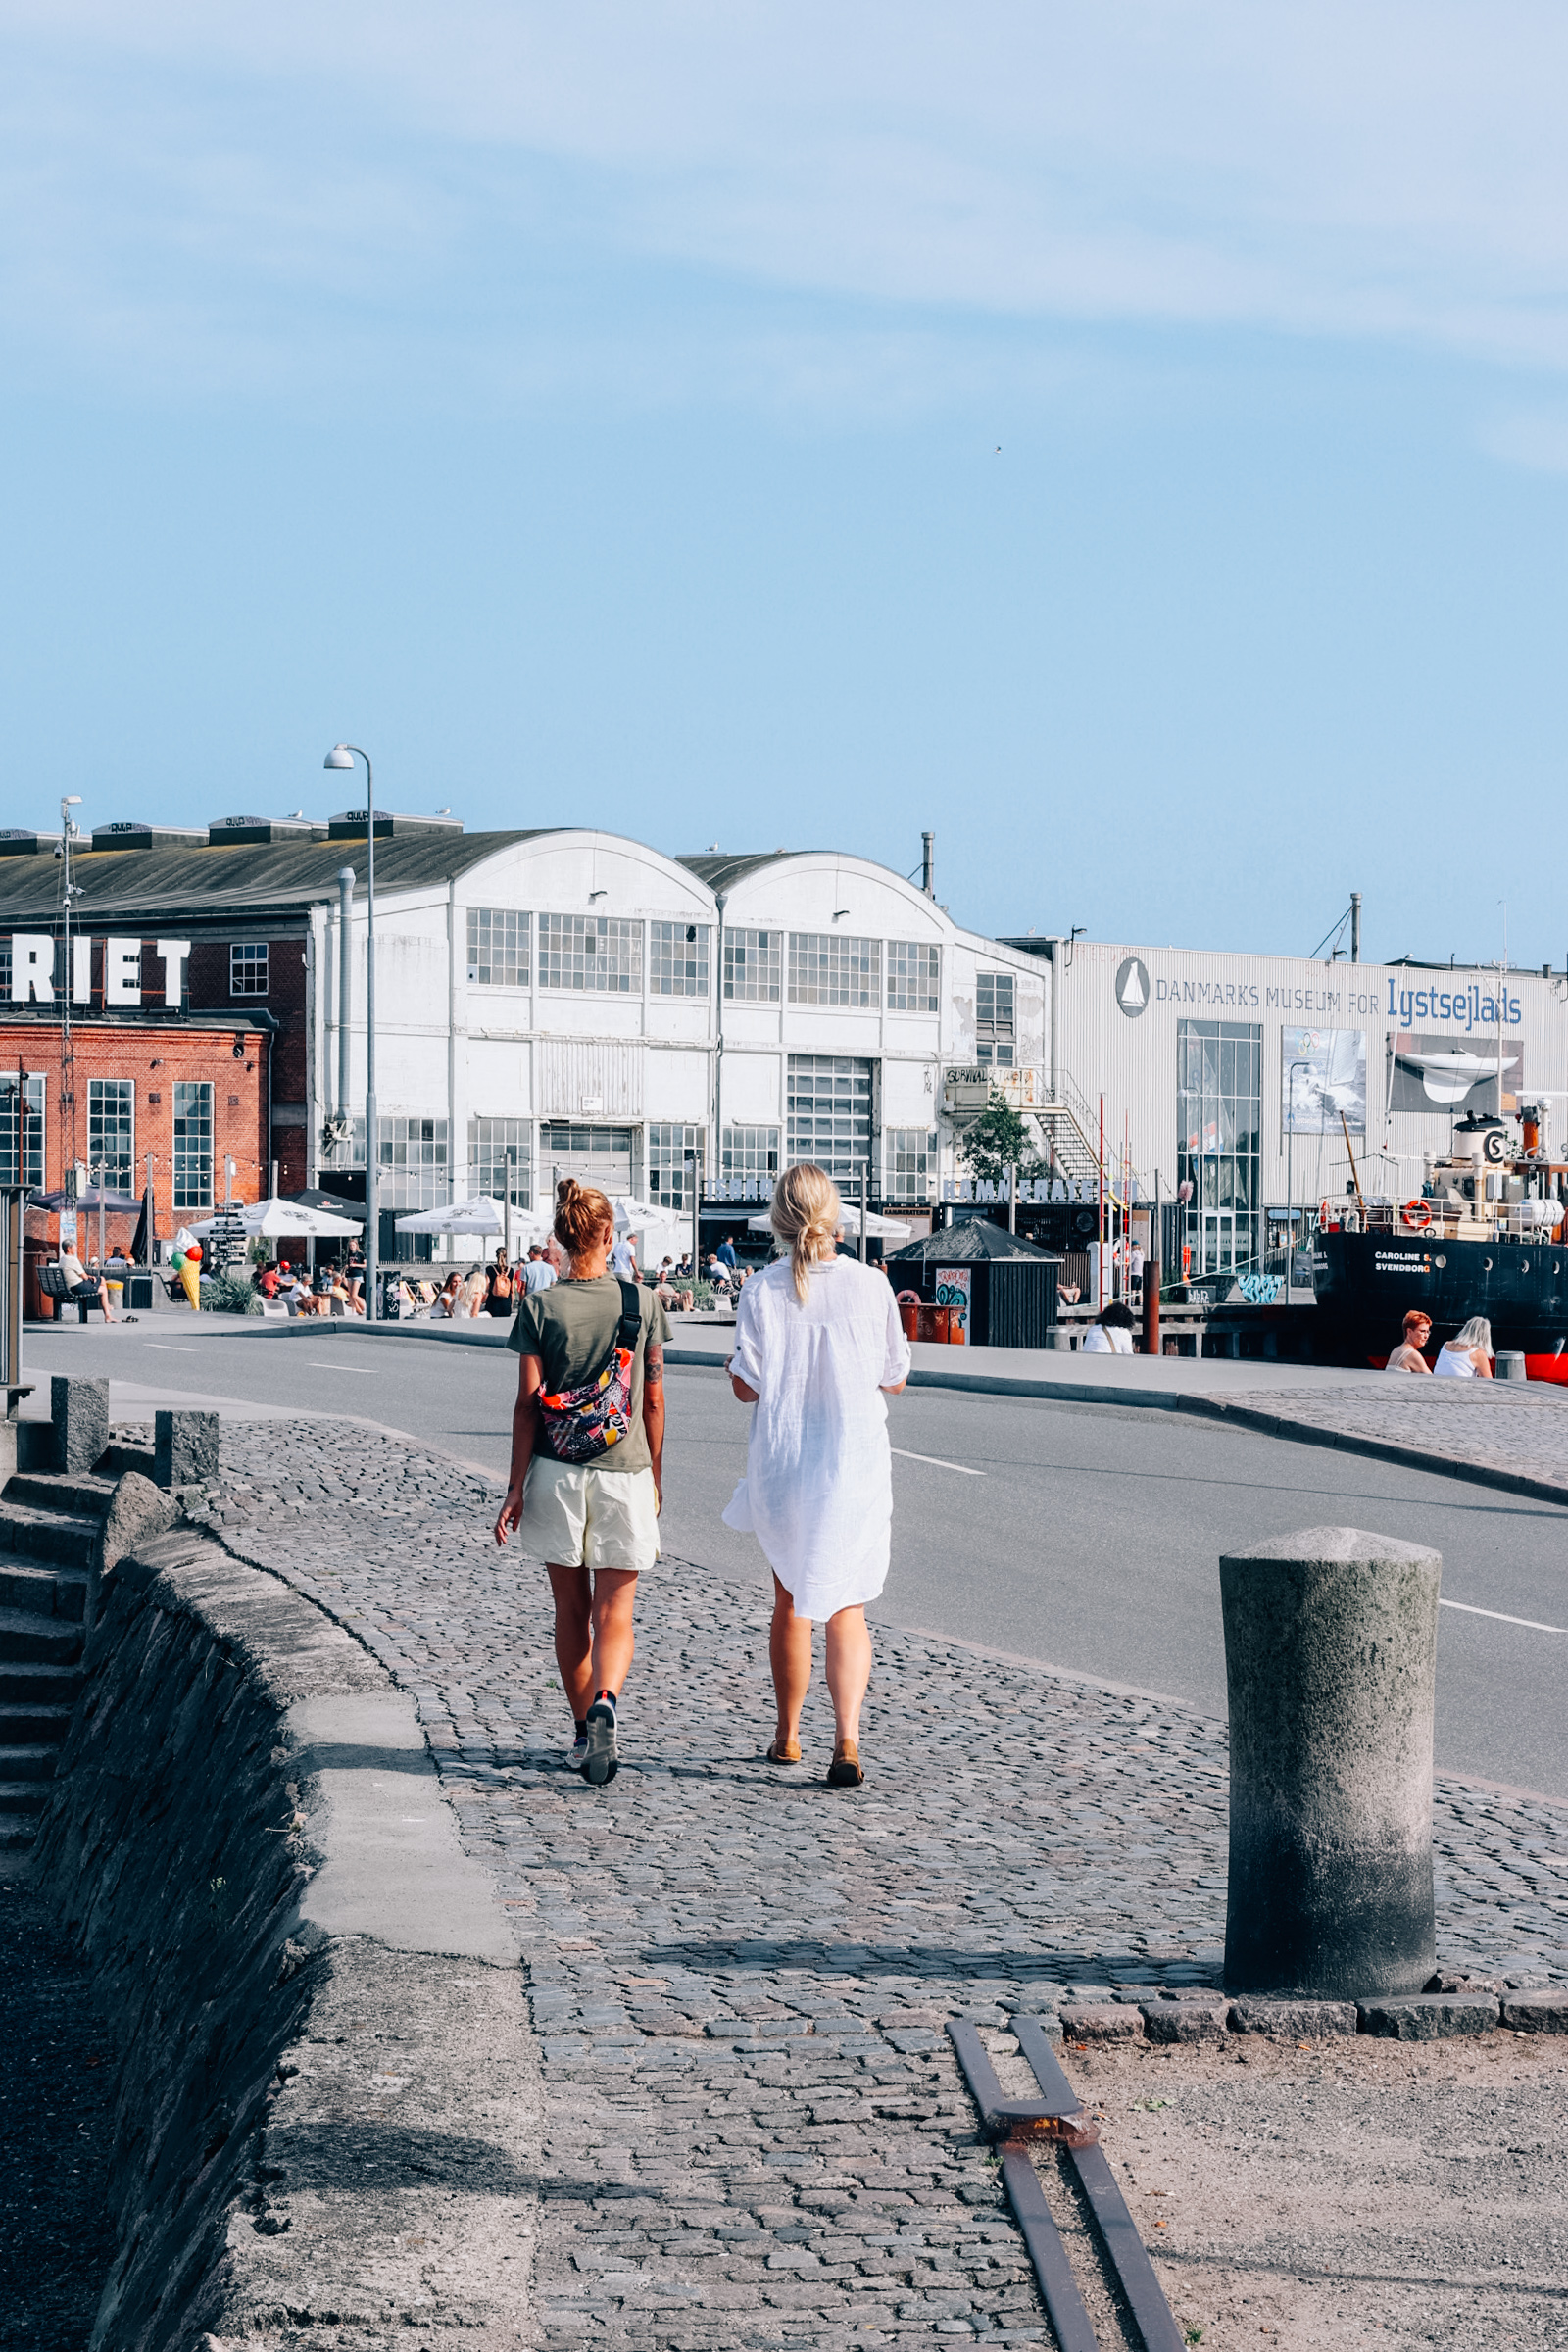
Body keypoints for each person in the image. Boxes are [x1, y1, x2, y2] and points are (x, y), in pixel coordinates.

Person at [723, 1162, 910, 1788]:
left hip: (785, 1464)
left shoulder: (761, 1290)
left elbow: (748, 1388)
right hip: (853, 1465)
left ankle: (788, 1734)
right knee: (847, 1605)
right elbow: (895, 1377)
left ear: (780, 1220)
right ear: (835, 1218)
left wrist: (739, 1371)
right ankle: (847, 1739)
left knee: (790, 1600)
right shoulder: (872, 1285)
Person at [495, 1178, 669, 1788]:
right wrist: (655, 1474)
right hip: (625, 1474)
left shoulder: (539, 1307)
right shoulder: (641, 1303)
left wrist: (515, 1487)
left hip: (556, 1473)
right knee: (615, 1611)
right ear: (607, 1235)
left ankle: (580, 1731)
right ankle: (606, 1702)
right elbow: (653, 1399)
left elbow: (527, 1404)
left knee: (570, 1610)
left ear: (562, 1239)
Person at [484, 1248, 517, 1318]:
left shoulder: (489, 1269)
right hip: (506, 1303)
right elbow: (512, 1291)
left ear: (496, 1256)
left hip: (492, 1302)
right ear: (506, 1256)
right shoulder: (510, 1271)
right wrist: (511, 1304)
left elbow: (487, 1288)